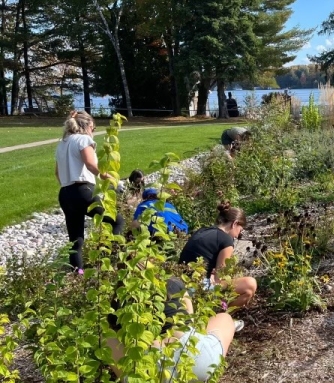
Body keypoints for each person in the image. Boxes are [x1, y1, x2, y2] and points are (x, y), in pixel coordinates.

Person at [105, 275, 242, 381]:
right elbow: (191, 320)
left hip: (146, 373)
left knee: (106, 337)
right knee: (224, 318)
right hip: (195, 362)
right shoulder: (172, 282)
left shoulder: (119, 298)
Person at [55, 110, 126, 272]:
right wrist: (113, 180)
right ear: (86, 126)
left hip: (65, 193)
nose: (93, 133)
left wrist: (69, 186)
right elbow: (91, 164)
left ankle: (76, 274)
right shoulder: (83, 140)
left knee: (76, 239)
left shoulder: (62, 143)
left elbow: (57, 173)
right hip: (83, 190)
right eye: (93, 129)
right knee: (117, 221)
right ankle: (114, 261)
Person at [178, 202, 257, 308]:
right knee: (250, 284)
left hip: (180, 283)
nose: (239, 234)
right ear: (234, 224)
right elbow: (220, 277)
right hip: (196, 288)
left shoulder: (202, 230)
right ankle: (222, 316)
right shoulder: (226, 240)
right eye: (240, 230)